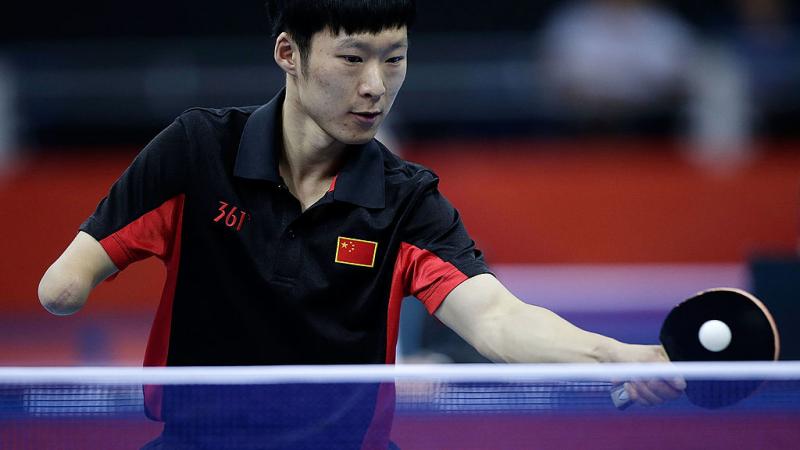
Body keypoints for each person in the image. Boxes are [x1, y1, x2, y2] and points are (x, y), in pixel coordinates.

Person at [38, 0, 683, 447]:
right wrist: (71, 279)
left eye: (394, 59)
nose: (376, 85)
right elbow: (60, 291)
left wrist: (614, 354)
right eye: (352, 59)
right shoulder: (197, 151)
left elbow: (495, 318)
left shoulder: (406, 200)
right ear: (288, 52)